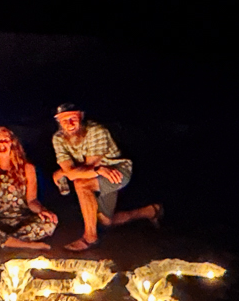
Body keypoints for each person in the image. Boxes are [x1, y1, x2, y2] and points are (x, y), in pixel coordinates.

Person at [50, 103, 162, 251]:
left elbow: (85, 169)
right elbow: (71, 170)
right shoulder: (58, 138)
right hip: (99, 172)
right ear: (59, 122)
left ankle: (90, 238)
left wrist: (64, 172)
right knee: (105, 222)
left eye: (72, 118)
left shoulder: (96, 131)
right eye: (64, 120)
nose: (69, 123)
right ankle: (150, 211)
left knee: (81, 184)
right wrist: (69, 172)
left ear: (81, 116)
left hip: (116, 171)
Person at [0, 126, 57, 250]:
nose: (2, 143)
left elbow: (32, 200)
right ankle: (26, 245)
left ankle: (2, 241)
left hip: (23, 220)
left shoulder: (27, 168)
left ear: (12, 144)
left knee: (49, 224)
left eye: (6, 139)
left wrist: (42, 210)